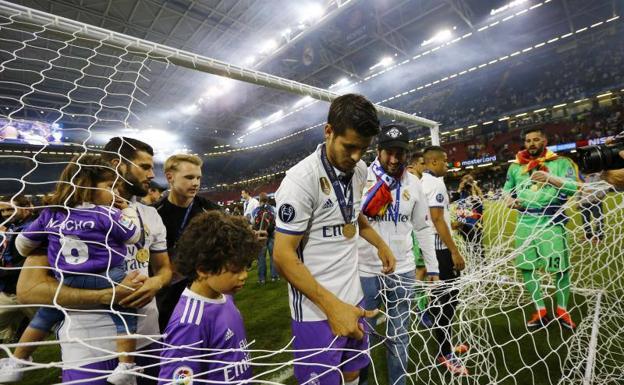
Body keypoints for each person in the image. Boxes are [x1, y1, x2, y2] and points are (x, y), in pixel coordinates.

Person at [13, 137, 172, 385]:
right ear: (118, 165)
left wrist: (156, 283)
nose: (152, 174)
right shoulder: (61, 214)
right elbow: (28, 291)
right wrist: (106, 296)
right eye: (145, 166)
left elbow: (163, 270)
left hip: (148, 341)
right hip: (87, 349)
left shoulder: (150, 214)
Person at [273, 93, 396, 385]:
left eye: (363, 149)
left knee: (352, 373)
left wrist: (380, 244)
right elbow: (282, 256)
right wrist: (332, 306)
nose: (356, 157)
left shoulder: (359, 170)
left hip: (354, 299)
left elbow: (353, 216)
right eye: (350, 147)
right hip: (316, 310)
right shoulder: (300, 181)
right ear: (328, 131)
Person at [357, 125, 438, 385]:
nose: (394, 159)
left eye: (399, 154)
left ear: (407, 154)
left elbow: (423, 228)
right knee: (361, 336)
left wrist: (433, 268)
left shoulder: (413, 184)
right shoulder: (360, 178)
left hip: (403, 271)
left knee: (400, 335)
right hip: (365, 270)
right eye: (388, 153)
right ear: (378, 151)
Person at [158, 211, 261, 385]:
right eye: (236, 269)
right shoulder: (189, 324)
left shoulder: (226, 297)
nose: (244, 275)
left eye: (246, 266)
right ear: (204, 269)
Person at [503, 127, 579, 330]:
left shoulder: (561, 163)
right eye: (528, 141)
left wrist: (550, 179)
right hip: (524, 222)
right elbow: (506, 190)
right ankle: (540, 309)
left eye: (536, 140)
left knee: (560, 269)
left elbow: (574, 187)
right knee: (527, 268)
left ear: (544, 141)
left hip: (551, 222)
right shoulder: (515, 167)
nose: (531, 144)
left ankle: (562, 309)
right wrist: (509, 199)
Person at [153, 154, 219, 332]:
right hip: (169, 301)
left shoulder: (211, 210)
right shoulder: (154, 214)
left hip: (209, 297)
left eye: (198, 177)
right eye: (189, 177)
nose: (196, 183)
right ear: (170, 177)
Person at [420, 146, 468, 376]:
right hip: (440, 251)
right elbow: (437, 220)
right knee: (447, 303)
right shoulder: (436, 184)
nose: (448, 165)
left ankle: (444, 341)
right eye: (446, 161)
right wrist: (454, 251)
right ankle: (445, 353)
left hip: (431, 249)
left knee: (445, 300)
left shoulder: (422, 183)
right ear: (434, 162)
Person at [0, 195, 36, 344]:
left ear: (27, 208)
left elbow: (24, 262)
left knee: (51, 325)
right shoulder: (11, 227)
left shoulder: (33, 229)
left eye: (10, 209)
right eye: (2, 211)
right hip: (10, 290)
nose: (6, 214)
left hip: (31, 290)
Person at [454, 174, 485, 260]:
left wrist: (473, 189)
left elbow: (479, 205)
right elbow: (454, 202)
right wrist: (460, 188)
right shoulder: (461, 194)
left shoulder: (476, 194)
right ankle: (475, 263)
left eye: (469, 183)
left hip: (475, 224)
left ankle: (482, 264)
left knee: (478, 247)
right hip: (464, 224)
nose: (467, 186)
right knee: (468, 247)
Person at [252, 192, 278, 284]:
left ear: (259, 200)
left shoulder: (255, 210)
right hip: (271, 235)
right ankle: (274, 276)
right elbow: (276, 221)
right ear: (267, 199)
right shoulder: (273, 209)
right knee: (272, 256)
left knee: (261, 258)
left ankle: (262, 279)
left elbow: (253, 223)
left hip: (261, 236)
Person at [579, 172, 606, 243]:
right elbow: (579, 188)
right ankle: (588, 235)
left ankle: (599, 237)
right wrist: (578, 200)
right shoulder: (583, 177)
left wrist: (599, 197)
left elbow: (605, 187)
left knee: (598, 219)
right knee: (585, 220)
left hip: (595, 201)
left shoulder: (599, 176)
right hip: (584, 201)